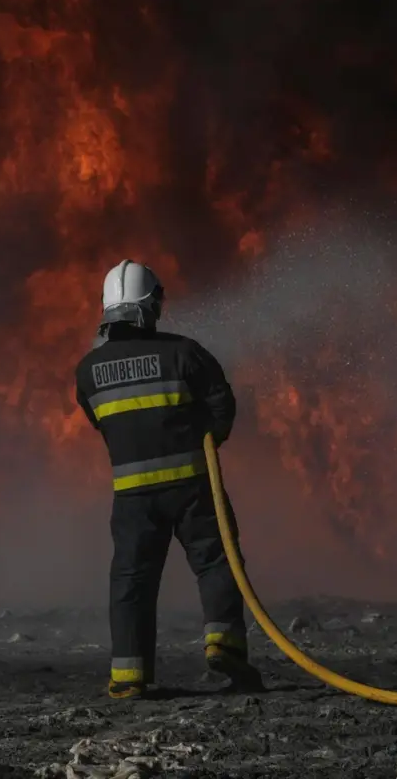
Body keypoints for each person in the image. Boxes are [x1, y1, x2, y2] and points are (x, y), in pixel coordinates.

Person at [74, 259, 263, 699]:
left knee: (131, 583)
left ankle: (128, 677)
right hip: (194, 488)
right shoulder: (185, 352)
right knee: (217, 562)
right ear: (149, 306)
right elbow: (222, 408)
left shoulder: (88, 371)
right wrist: (208, 438)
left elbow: (100, 422)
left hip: (132, 498)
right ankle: (224, 644)